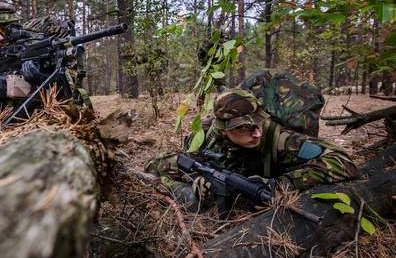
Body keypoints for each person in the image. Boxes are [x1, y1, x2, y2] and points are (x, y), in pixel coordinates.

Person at [145, 88, 358, 212]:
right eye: (245, 127)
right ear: (224, 130)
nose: (256, 133)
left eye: (258, 123)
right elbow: (155, 163)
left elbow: (343, 161)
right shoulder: (206, 137)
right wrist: (193, 178)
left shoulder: (278, 139)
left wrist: (283, 184)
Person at [0, 1, 71, 111]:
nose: (0, 38)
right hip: (0, 127)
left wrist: (50, 82)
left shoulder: (39, 51)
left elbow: (75, 98)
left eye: (6, 29)